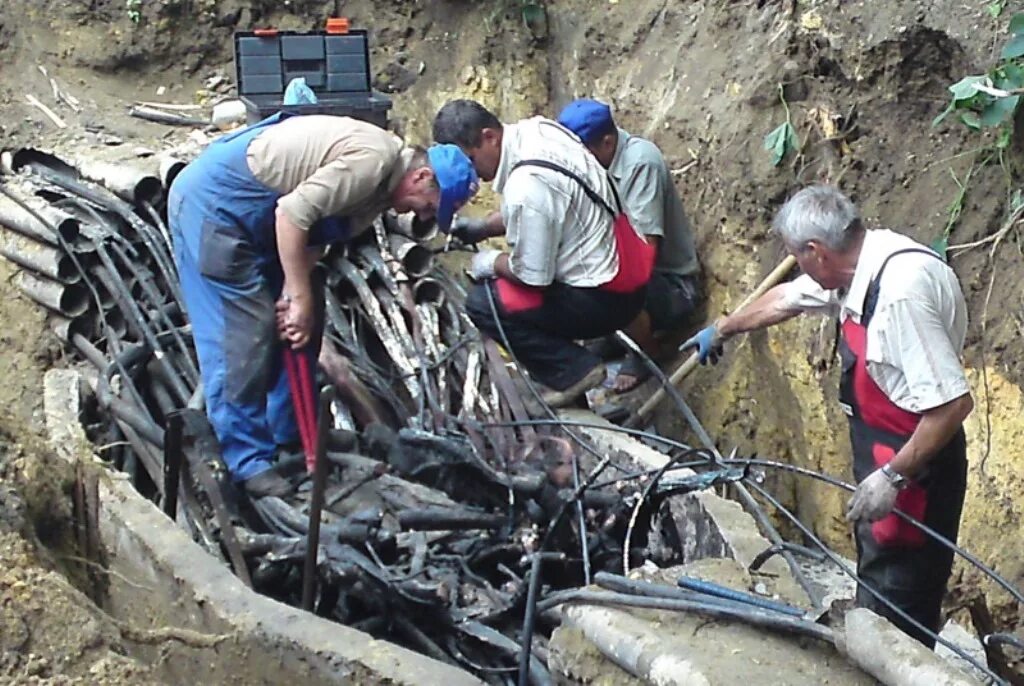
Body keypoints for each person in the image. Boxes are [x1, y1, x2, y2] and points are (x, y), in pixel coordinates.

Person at [682, 185, 972, 647]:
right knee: (878, 574)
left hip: (916, 465)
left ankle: (896, 664)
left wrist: (893, 478)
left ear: (815, 251)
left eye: (797, 258)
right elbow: (786, 300)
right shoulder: (860, 264)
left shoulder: (899, 295)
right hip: (883, 447)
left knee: (901, 596)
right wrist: (723, 327)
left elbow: (953, 405)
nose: (798, 268)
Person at [168, 113, 478, 497]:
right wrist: (295, 294)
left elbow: (314, 237)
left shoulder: (379, 193)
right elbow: (291, 214)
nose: (422, 215)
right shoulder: (372, 162)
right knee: (244, 334)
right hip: (218, 207)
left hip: (263, 223)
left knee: (305, 324)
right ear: (420, 177)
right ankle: (245, 462)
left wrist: (297, 296)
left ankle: (288, 436)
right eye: (430, 206)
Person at [432, 99, 654, 406]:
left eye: (470, 159)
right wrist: (484, 228)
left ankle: (575, 372)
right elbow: (551, 205)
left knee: (485, 304)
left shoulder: (525, 186)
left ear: (489, 137)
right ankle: (574, 368)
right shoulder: (539, 130)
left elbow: (533, 277)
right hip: (629, 265)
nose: (472, 172)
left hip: (608, 297)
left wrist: (491, 262)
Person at [556, 98, 703, 392]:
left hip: (671, 285)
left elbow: (643, 254)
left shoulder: (640, 163)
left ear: (607, 142)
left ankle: (645, 349)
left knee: (607, 280)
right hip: (631, 267)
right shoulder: (592, 166)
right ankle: (615, 332)